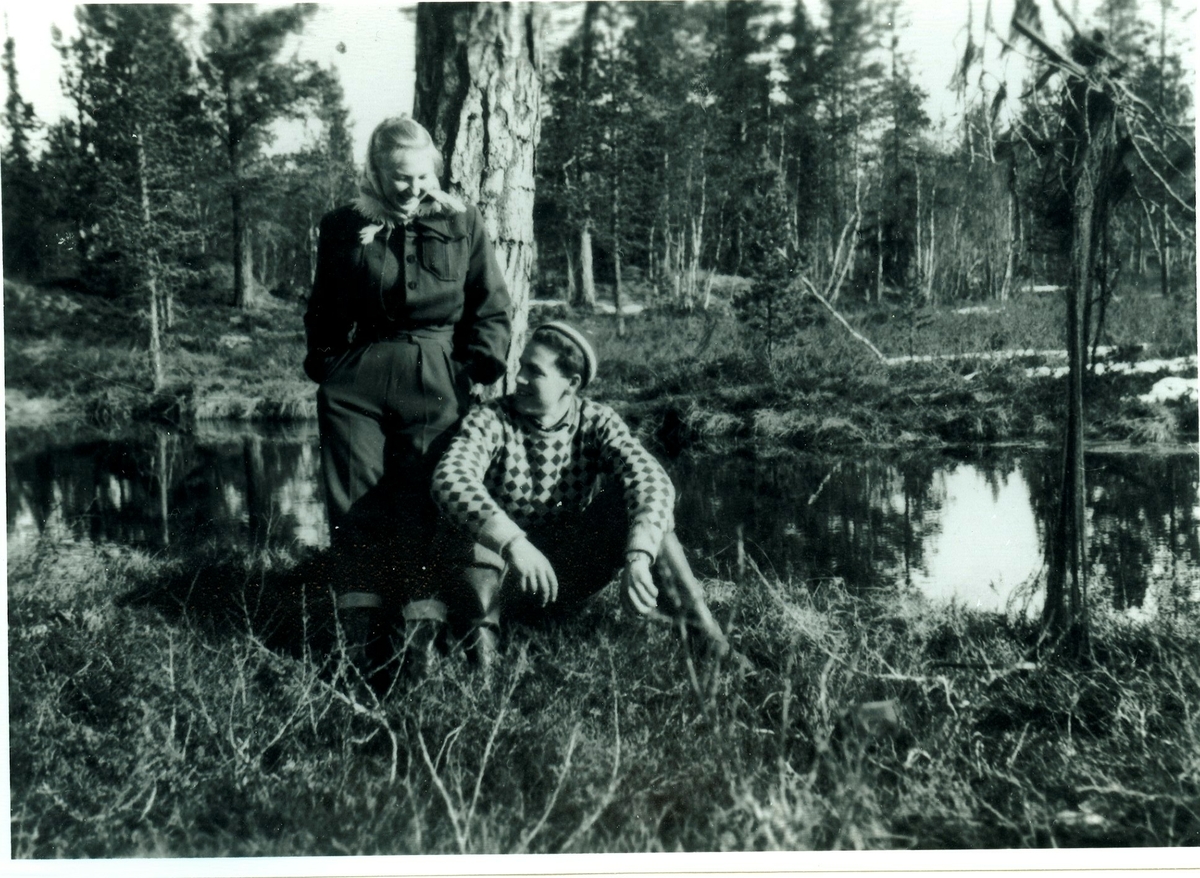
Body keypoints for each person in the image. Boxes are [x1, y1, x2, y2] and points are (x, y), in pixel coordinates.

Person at [303, 115, 511, 667]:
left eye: (422, 177)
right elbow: (323, 308)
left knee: (425, 503)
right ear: (373, 173)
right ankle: (359, 646)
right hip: (359, 378)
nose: (413, 189)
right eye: (400, 179)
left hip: (436, 375)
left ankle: (421, 648)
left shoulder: (461, 221)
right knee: (356, 506)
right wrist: (330, 367)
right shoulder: (343, 224)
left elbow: (490, 304)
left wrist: (473, 370)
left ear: (435, 170)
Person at [430, 321, 685, 669]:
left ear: (572, 383)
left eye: (533, 372)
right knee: (472, 545)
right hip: (500, 579)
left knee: (647, 511)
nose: (517, 379)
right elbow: (450, 479)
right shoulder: (490, 419)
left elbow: (651, 478)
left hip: (563, 573)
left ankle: (706, 639)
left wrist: (639, 555)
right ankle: (482, 673)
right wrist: (514, 543)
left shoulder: (597, 422)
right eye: (520, 367)